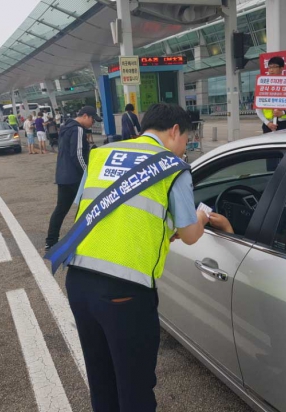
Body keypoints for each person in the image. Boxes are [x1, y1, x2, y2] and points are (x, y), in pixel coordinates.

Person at [54, 103, 209, 412]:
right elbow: (190, 235)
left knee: (101, 378)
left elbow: (92, 209)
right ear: (175, 130)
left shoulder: (101, 155)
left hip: (79, 280)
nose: (184, 148)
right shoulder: (173, 166)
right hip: (124, 293)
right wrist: (202, 215)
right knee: (134, 386)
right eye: (186, 140)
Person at [45, 106, 102, 250]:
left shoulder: (65, 128)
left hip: (63, 176)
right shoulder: (77, 129)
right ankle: (82, 239)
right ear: (85, 116)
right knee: (87, 207)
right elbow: (77, 154)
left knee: (61, 209)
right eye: (92, 120)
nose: (92, 124)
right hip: (75, 178)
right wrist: (87, 174)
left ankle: (51, 241)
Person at [256, 56, 286, 133]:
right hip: (268, 125)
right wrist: (267, 123)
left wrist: (283, 112)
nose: (271, 70)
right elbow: (258, 108)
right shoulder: (263, 86)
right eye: (269, 67)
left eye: (274, 67)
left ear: (281, 68)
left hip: (285, 124)